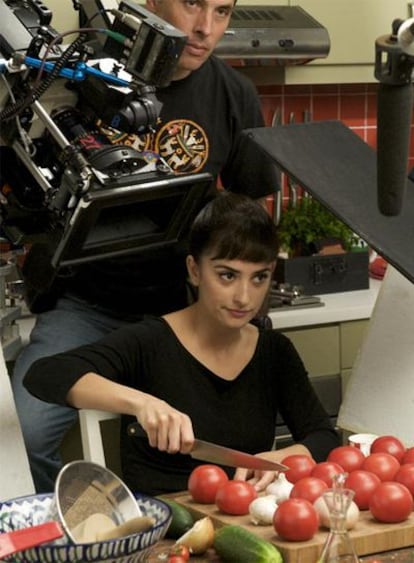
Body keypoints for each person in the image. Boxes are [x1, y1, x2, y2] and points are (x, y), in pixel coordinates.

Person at [12, 0, 279, 493]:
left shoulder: (233, 95)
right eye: (192, 4)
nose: (204, 29)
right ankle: (72, 531)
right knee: (18, 433)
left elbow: (249, 222)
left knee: (205, 452)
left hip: (184, 314)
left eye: (221, 12)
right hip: (88, 307)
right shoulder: (78, 75)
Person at [24, 193, 340, 496]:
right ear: (194, 270)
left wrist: (282, 458)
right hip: (163, 526)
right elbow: (46, 374)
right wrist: (142, 404)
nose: (244, 297)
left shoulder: (274, 351)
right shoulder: (151, 340)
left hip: (246, 514)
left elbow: (324, 437)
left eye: (259, 277)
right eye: (227, 276)